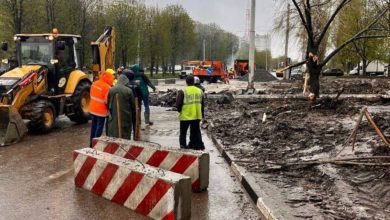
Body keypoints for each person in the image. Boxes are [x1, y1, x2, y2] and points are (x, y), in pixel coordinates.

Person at [176, 75, 205, 150]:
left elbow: (178, 105)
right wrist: (201, 114)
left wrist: (180, 111)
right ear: (194, 81)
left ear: (186, 82)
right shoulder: (200, 91)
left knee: (183, 133)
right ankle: (197, 145)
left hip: (185, 116)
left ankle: (183, 146)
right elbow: (202, 104)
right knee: (196, 132)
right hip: (196, 115)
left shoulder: (182, 91)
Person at [89, 71, 114, 147]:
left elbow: (91, 95)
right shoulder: (107, 87)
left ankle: (91, 143)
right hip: (101, 111)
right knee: (99, 127)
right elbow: (106, 101)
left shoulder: (94, 83)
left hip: (93, 109)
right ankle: (95, 144)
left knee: (93, 126)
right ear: (109, 78)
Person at [106, 75, 135, 140]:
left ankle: (114, 142)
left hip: (114, 114)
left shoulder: (111, 89)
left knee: (114, 129)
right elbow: (133, 104)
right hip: (125, 114)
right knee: (125, 131)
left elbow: (107, 102)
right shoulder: (129, 90)